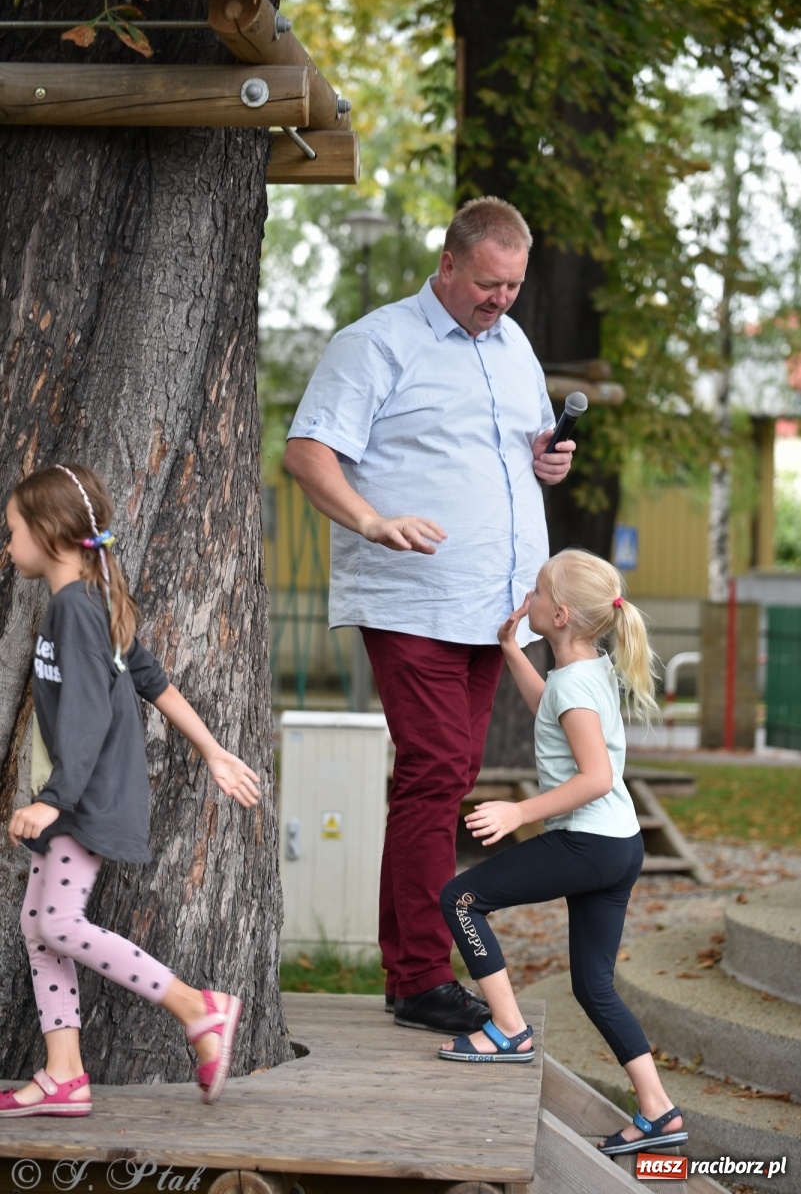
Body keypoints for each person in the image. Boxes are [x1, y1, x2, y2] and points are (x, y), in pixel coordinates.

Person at [284, 196, 575, 1035]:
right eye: (487, 283)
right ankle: (416, 975)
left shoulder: (512, 345)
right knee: (435, 772)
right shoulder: (375, 343)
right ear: (446, 264)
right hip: (416, 601)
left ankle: (419, 966)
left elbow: (507, 453)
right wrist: (372, 520)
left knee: (447, 775)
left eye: (513, 286)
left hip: (497, 605)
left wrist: (544, 463)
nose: (500, 300)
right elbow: (308, 452)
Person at [1, 464, 261, 1117]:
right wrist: (212, 750)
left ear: (50, 533)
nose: (7, 547)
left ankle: (196, 1007)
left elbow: (87, 715)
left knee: (57, 921)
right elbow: (153, 680)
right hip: (79, 790)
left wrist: (52, 799)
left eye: (12, 532)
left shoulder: (74, 611)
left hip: (82, 796)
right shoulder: (89, 603)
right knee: (39, 925)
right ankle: (64, 1073)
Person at [438, 549, 688, 1157]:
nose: (531, 590)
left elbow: (596, 775)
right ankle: (659, 1110)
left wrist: (519, 811)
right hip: (619, 844)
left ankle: (509, 1029)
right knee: (594, 986)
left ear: (561, 612)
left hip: (589, 841)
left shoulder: (576, 685)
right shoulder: (586, 669)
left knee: (461, 899)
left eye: (540, 586)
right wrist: (510, 651)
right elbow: (549, 708)